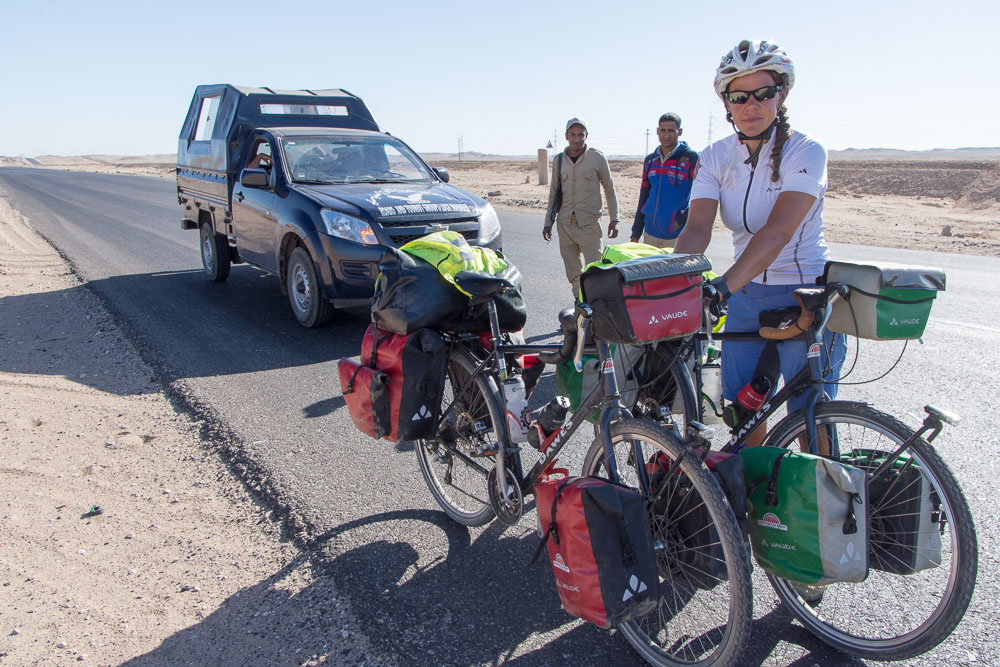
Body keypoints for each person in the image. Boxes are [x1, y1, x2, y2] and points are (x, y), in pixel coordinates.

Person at [672, 39, 846, 450]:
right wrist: (674, 283)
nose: (752, 105)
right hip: (747, 294)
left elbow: (778, 231)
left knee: (809, 415)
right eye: (739, 96)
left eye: (764, 93)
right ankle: (752, 503)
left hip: (801, 292)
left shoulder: (806, 151)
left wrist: (721, 287)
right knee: (745, 412)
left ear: (781, 94)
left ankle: (827, 507)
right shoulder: (716, 156)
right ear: (726, 103)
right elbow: (697, 228)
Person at [544, 118, 620, 297]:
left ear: (586, 136)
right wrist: (548, 223)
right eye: (573, 135)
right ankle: (580, 308)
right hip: (565, 225)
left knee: (596, 272)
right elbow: (554, 193)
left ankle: (598, 312)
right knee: (574, 274)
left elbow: (609, 189)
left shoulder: (597, 158)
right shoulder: (559, 161)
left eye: (581, 135)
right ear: (566, 136)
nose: (577, 139)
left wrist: (614, 219)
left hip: (589, 225)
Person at [630, 113, 699, 248]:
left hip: (676, 235)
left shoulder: (691, 158)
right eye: (663, 130)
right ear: (657, 131)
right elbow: (644, 197)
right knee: (649, 269)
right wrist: (636, 233)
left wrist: (681, 219)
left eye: (671, 131)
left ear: (679, 132)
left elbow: (702, 195)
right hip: (650, 233)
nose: (666, 135)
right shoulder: (650, 160)